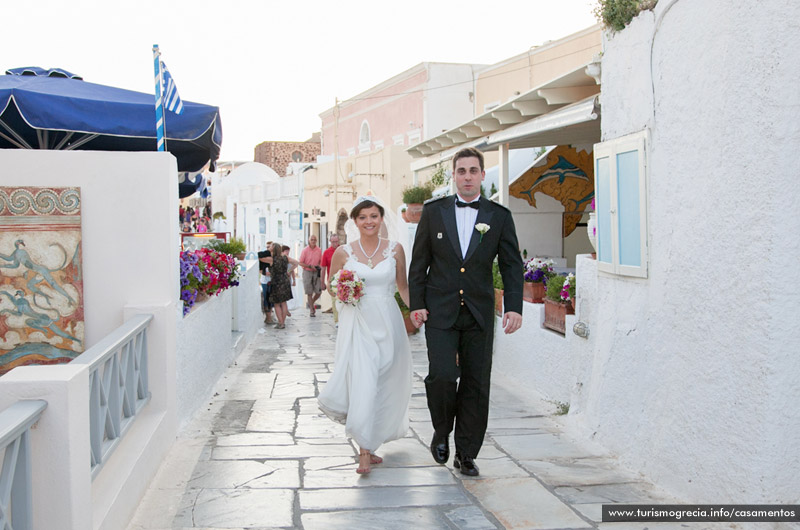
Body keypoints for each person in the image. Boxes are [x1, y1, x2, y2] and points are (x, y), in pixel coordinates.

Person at [408, 146, 523, 477]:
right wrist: (417, 304)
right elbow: (420, 263)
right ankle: (442, 430)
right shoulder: (433, 212)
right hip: (440, 310)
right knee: (442, 375)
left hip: (479, 312)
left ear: (483, 175)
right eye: (462, 171)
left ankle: (467, 452)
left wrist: (513, 307)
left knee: (476, 382)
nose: (468, 177)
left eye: (474, 171)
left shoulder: (499, 216)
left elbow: (512, 265)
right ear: (454, 176)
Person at [318, 196, 412, 475]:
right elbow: (331, 286)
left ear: (381, 218)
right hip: (358, 322)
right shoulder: (343, 252)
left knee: (384, 381)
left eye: (374, 216)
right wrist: (345, 291)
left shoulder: (395, 250)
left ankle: (372, 439)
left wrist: (418, 309)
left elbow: (403, 287)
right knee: (364, 379)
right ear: (355, 221)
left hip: (389, 322)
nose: (369, 221)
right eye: (363, 217)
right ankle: (364, 452)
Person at [263, 242, 298, 329]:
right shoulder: (285, 257)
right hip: (285, 280)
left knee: (277, 303)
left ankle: (280, 322)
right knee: (284, 302)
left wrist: (268, 251)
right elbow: (296, 263)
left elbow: (260, 257)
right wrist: (288, 271)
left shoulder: (271, 259)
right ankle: (283, 322)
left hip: (276, 281)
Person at [299, 235, 323, 316]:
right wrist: (309, 266)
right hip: (307, 271)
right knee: (309, 292)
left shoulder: (319, 250)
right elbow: (300, 262)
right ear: (309, 240)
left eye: (314, 239)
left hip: (316, 272)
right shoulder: (305, 250)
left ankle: (311, 303)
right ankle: (312, 311)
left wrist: (318, 266)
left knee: (319, 291)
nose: (313, 241)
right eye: (312, 240)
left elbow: (321, 261)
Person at [320, 233, 340, 319]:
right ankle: (337, 320)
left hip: (342, 279)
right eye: (333, 242)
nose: (335, 244)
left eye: (336, 241)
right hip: (332, 280)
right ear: (330, 241)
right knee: (334, 301)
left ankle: (342, 318)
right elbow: (323, 268)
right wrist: (322, 282)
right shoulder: (326, 253)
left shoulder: (342, 250)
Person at [258, 243, 274, 324]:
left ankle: (269, 317)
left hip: (272, 281)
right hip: (265, 281)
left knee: (271, 299)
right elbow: (259, 268)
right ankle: (268, 317)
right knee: (266, 299)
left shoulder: (274, 258)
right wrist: (264, 272)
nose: (269, 248)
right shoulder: (264, 256)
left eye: (270, 246)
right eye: (268, 246)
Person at [282, 245, 296, 317]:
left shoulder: (289, 259)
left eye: (288, 251)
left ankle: (285, 310)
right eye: (286, 251)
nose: (287, 252)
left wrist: (294, 280)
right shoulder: (281, 259)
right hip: (281, 280)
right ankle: (286, 310)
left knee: (286, 296)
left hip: (288, 280)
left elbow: (294, 268)